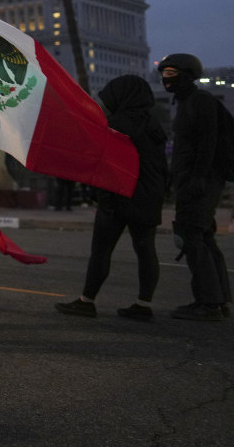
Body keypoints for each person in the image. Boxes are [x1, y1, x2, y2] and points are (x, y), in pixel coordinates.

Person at [55, 74, 167, 321]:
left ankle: (87, 301)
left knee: (102, 251)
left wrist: (102, 200)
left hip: (117, 198)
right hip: (148, 196)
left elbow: (106, 166)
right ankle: (143, 304)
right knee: (146, 249)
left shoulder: (115, 123)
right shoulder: (153, 124)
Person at [157, 54, 231, 321]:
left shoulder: (201, 101)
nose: (165, 78)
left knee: (192, 237)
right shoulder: (187, 102)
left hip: (201, 181)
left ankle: (208, 303)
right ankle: (218, 300)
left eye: (171, 73)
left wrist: (197, 179)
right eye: (163, 73)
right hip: (192, 180)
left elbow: (208, 143)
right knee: (203, 237)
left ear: (187, 74)